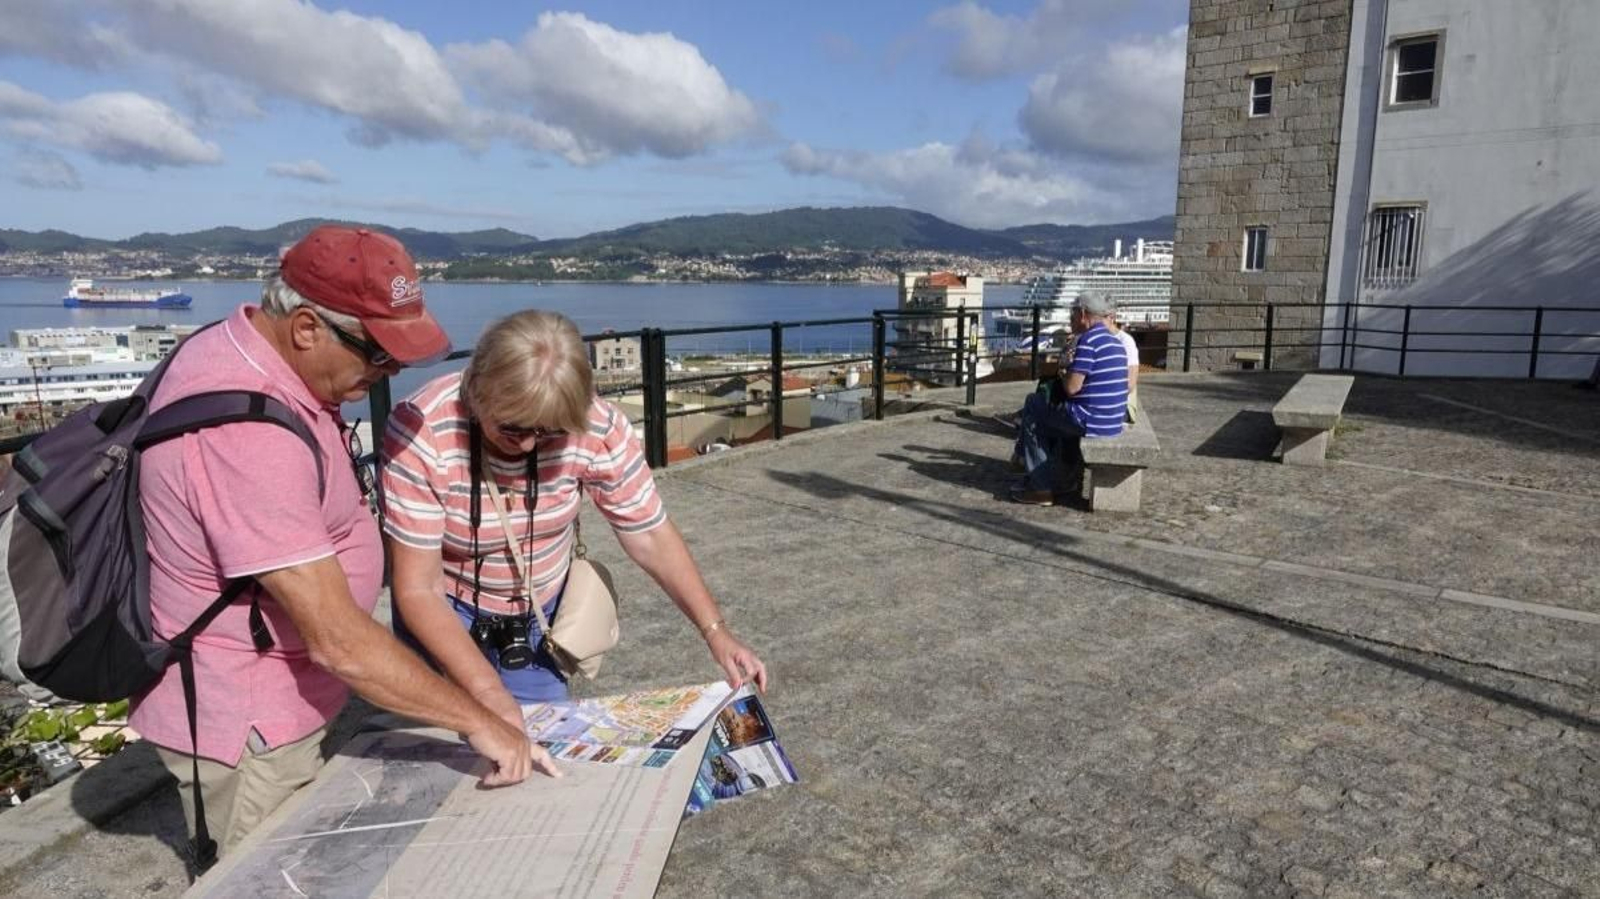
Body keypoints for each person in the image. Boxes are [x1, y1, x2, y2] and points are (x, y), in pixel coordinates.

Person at [133, 226, 559, 861]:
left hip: (280, 695)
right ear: (306, 326)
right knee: (276, 872)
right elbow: (337, 640)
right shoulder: (247, 436)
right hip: (250, 722)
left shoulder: (252, 350)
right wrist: (478, 719)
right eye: (378, 354)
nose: (390, 372)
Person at [380, 310, 768, 714]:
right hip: (443, 610)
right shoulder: (422, 430)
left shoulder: (596, 426)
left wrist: (716, 633)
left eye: (550, 432)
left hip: (537, 615)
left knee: (542, 744)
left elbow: (650, 534)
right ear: (476, 391)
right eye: (513, 429)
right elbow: (418, 588)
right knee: (443, 742)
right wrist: (490, 698)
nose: (530, 446)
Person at [1009, 290, 1129, 506]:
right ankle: (1053, 477)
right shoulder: (1115, 343)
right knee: (1041, 409)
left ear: (1083, 314)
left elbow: (1072, 389)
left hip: (1090, 421)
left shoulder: (1089, 340)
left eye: (1072, 316)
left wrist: (1064, 370)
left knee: (1033, 408)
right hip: (1112, 421)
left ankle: (1040, 487)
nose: (1070, 320)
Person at [1106, 312, 1141, 423]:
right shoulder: (1091, 338)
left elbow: (1130, 385)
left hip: (1121, 406)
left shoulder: (1125, 341)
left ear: (1111, 318)